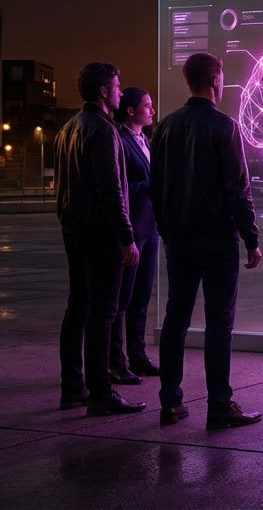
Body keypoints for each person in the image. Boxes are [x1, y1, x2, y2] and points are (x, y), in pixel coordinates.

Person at [150, 52, 263, 430]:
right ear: (215, 81)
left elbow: (156, 189)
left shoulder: (164, 127)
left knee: (175, 319)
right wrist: (251, 238)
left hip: (179, 240)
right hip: (217, 240)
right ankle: (219, 404)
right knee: (219, 323)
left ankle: (170, 403)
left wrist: (166, 233)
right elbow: (238, 189)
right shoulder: (224, 127)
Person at [55, 62, 145, 416]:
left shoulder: (67, 129)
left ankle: (72, 388)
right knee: (103, 313)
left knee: (76, 308)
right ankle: (101, 393)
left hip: (74, 231)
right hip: (101, 235)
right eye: (118, 87)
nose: (121, 93)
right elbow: (111, 189)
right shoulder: (104, 131)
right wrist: (126, 237)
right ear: (105, 91)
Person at [110, 87, 161, 380]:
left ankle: (138, 355)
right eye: (147, 106)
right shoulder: (119, 141)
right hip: (132, 228)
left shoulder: (146, 141)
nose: (152, 111)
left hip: (150, 228)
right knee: (122, 298)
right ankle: (116, 361)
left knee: (141, 296)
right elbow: (123, 186)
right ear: (130, 111)